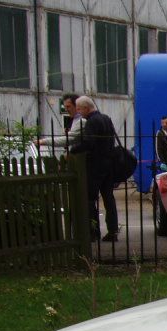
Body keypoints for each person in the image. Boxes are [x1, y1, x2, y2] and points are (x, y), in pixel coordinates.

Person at [69, 96, 119, 243]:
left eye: (79, 109)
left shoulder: (91, 122)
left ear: (86, 108)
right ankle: (113, 230)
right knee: (108, 198)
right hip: (109, 164)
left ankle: (93, 231)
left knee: (90, 199)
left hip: (95, 165)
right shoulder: (106, 118)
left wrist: (74, 149)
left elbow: (89, 143)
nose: (78, 112)